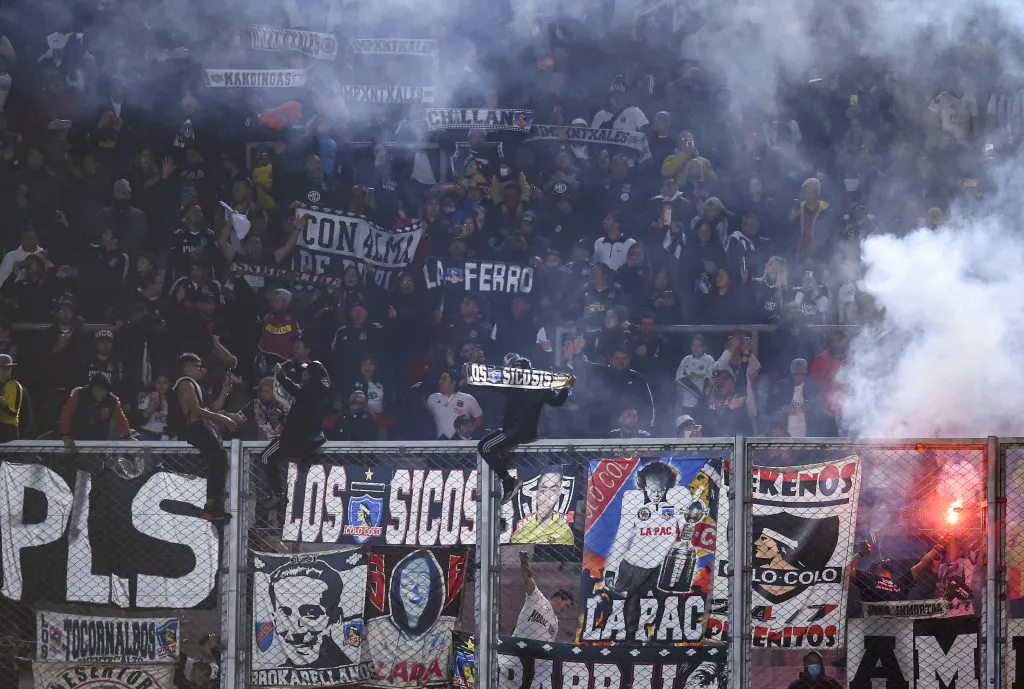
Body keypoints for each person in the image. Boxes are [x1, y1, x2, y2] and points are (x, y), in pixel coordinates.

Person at [476, 353, 573, 502]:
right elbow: (556, 401)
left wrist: (566, 387)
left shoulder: (524, 383)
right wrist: (566, 388)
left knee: (485, 447)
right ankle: (507, 480)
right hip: (521, 430)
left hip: (515, 430)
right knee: (496, 452)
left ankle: (509, 482)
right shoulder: (537, 384)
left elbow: (556, 402)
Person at [167, 353, 240, 523]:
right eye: (197, 366)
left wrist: (224, 394)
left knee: (220, 459)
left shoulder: (195, 385)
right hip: (192, 428)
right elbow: (196, 411)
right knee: (219, 458)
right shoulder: (185, 383)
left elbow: (210, 409)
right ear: (186, 368)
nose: (202, 369)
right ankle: (212, 505)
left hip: (200, 426)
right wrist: (224, 419)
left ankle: (214, 505)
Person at [259, 360, 332, 509]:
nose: (303, 373)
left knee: (266, 457)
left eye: (305, 371)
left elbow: (294, 389)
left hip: (294, 438)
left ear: (311, 374)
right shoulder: (321, 391)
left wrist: (280, 374)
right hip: (311, 440)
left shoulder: (311, 387)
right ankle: (278, 493)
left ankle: (277, 494)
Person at [268, 560, 351, 668]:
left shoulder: (347, 672)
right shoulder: (277, 672)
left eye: (310, 614)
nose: (297, 632)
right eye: (285, 613)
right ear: (274, 618)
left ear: (335, 618)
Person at [850, 534, 951, 602]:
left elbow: (922, 563)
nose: (887, 560)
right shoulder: (869, 578)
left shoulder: (900, 583)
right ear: (875, 568)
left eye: (887, 560)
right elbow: (848, 570)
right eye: (883, 561)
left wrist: (940, 545)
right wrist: (861, 553)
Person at [59, 373, 133, 446]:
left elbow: (120, 419)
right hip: (75, 441)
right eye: (99, 389)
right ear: (92, 388)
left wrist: (127, 436)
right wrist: (66, 435)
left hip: (99, 443)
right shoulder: (79, 395)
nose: (102, 393)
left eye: (105, 390)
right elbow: (66, 413)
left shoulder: (112, 401)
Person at [510, 468, 574, 545]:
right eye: (543, 490)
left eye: (553, 490)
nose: (547, 495)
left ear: (559, 494)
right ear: (537, 493)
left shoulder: (564, 530)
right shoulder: (523, 528)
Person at [0, 354, 23, 441]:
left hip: (8, 429)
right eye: (3, 369)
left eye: (9, 369)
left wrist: (2, 404)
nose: (6, 371)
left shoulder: (14, 385)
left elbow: (13, 413)